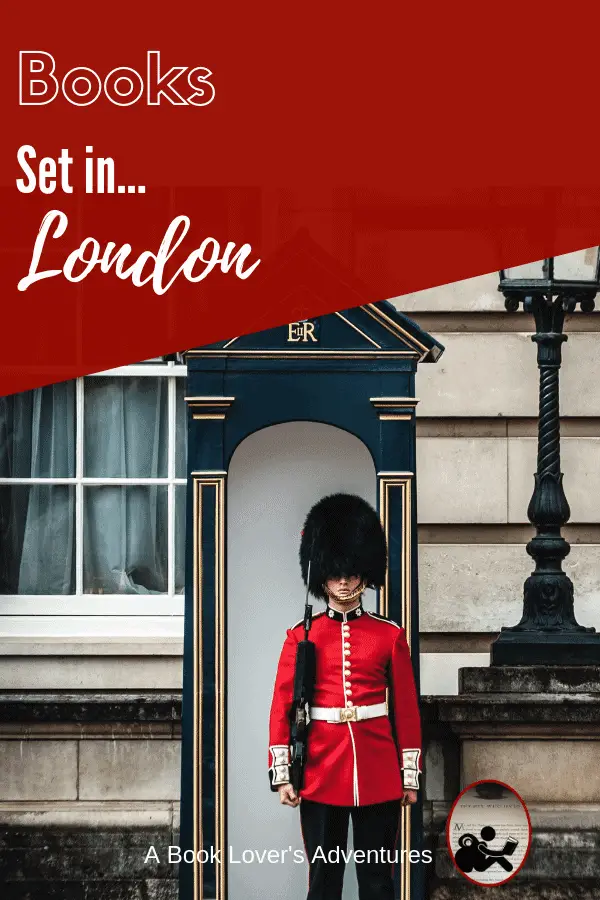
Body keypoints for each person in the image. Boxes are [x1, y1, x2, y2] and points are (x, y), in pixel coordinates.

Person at [268, 493, 422, 900]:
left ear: (364, 575)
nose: (343, 580)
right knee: (324, 882)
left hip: (378, 771)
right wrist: (283, 772)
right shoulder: (301, 636)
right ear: (321, 576)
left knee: (377, 881)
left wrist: (409, 775)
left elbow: (405, 710)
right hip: (320, 769)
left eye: (351, 572)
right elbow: (283, 708)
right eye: (335, 572)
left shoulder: (389, 636)